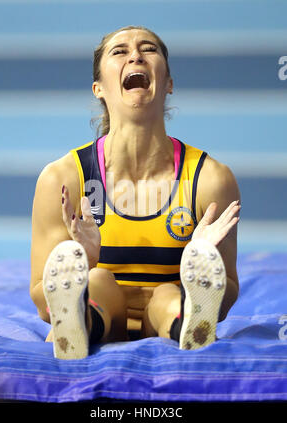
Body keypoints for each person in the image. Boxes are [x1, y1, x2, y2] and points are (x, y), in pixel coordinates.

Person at [30, 25, 241, 359]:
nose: (136, 55)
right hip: (103, 316)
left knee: (167, 296)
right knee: (98, 279)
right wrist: (84, 261)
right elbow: (43, 301)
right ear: (98, 88)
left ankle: (188, 322)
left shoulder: (210, 180)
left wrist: (200, 256)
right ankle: (76, 320)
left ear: (168, 83)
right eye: (119, 51)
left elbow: (226, 294)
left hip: (165, 321)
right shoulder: (65, 178)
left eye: (149, 48)